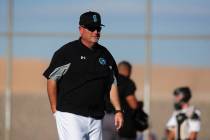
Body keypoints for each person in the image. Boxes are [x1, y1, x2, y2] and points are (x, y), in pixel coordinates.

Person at [43, 11, 123, 140]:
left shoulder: (105, 54)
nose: (96, 32)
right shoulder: (67, 52)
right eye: (91, 28)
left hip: (96, 116)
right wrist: (54, 109)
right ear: (80, 29)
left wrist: (118, 110)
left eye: (98, 28)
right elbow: (52, 79)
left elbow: (112, 83)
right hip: (71, 115)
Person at [103, 61, 138, 140]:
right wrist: (138, 105)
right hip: (121, 119)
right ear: (128, 71)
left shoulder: (108, 79)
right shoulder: (128, 82)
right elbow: (132, 103)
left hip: (105, 118)